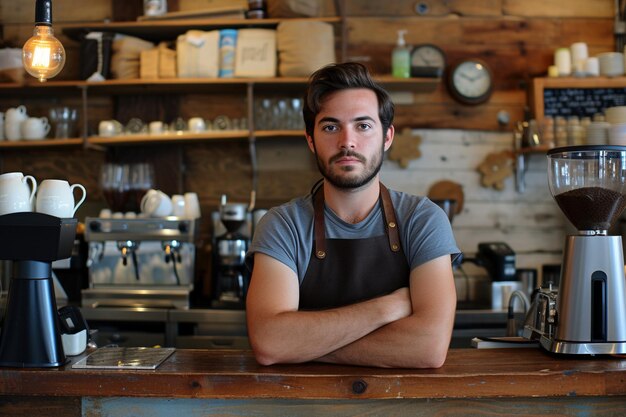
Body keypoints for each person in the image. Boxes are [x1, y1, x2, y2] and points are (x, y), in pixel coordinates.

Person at [244, 62, 460, 368]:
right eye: (331, 127)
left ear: (387, 137)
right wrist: (386, 309)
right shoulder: (283, 225)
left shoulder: (422, 219)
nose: (347, 141)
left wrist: (303, 346)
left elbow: (428, 348)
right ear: (310, 140)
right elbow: (270, 342)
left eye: (363, 125)